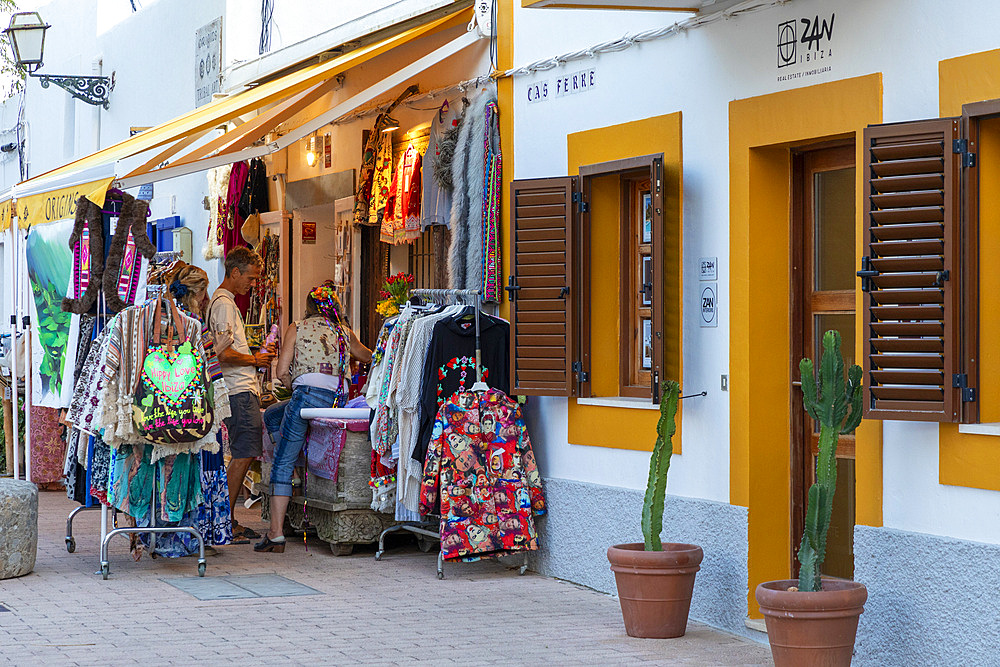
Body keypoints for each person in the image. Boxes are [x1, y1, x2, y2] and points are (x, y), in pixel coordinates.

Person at [255, 281, 371, 553]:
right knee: (273, 415)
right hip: (335, 400)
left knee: (281, 460)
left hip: (306, 396)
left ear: (309, 308)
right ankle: (296, 466)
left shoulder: (297, 327)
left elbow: (281, 371)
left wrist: (294, 386)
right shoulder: (344, 332)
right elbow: (367, 356)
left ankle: (276, 533)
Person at [208, 247, 275, 544]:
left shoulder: (226, 302)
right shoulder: (223, 304)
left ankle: (226, 520)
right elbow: (222, 354)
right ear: (234, 273)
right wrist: (255, 361)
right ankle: (225, 521)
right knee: (244, 452)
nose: (253, 284)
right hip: (237, 389)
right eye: (250, 277)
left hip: (239, 387)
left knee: (243, 452)